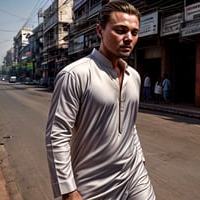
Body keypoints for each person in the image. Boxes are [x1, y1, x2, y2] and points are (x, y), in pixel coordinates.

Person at [45, 1, 156, 200]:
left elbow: (130, 125)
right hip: (94, 183)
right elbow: (57, 134)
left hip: (134, 175)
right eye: (120, 31)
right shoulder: (75, 75)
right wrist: (68, 190)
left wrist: (140, 157)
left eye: (134, 32)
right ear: (100, 31)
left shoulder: (134, 77)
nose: (128, 38)